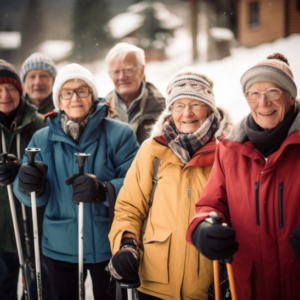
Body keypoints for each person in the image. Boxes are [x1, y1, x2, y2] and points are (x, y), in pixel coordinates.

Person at [13, 63, 140, 299]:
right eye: (67, 92)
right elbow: (28, 199)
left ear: (92, 95)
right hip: (60, 247)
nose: (75, 98)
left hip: (108, 245)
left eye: (82, 90)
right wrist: (28, 185)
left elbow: (137, 184)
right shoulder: (41, 138)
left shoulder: (120, 134)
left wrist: (104, 191)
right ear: (58, 100)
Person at [108, 69, 233, 300]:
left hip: (209, 284)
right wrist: (126, 244)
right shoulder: (152, 150)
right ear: (170, 109)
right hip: (154, 285)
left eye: (195, 104)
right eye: (178, 105)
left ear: (209, 108)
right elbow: (130, 207)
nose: (186, 113)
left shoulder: (228, 152)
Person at [187, 53, 300, 300]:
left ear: (291, 97)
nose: (263, 102)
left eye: (273, 91)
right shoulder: (230, 149)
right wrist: (202, 228)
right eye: (254, 93)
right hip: (249, 287)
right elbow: (210, 204)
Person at [0, 59, 47, 299]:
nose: (4, 95)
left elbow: (53, 172)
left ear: (20, 90)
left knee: (37, 292)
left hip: (33, 230)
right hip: (1, 235)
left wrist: (24, 171)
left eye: (10, 88)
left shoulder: (39, 124)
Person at [105, 43, 165, 144]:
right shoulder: (101, 111)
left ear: (142, 70)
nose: (122, 77)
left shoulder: (163, 109)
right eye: (116, 72)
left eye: (128, 70)